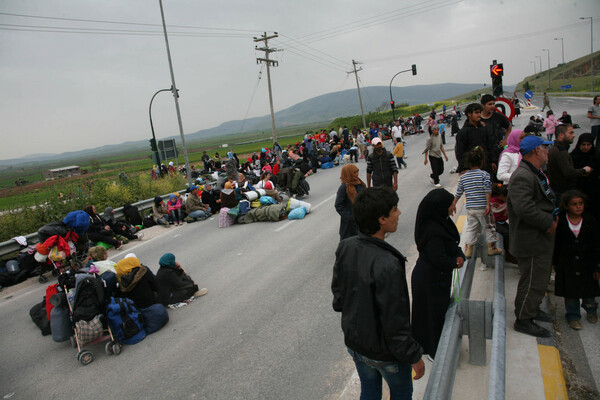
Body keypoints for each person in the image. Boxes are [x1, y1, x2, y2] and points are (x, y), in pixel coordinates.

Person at [331, 186, 425, 399]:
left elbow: (338, 298)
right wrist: (414, 357)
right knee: (401, 394)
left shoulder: (346, 246)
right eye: (394, 209)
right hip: (385, 354)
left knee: (370, 391)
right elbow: (396, 321)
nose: (399, 213)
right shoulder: (388, 263)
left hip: (356, 345)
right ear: (382, 219)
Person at [507, 135, 557, 338]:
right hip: (531, 238)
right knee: (532, 280)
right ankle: (524, 319)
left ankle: (532, 309)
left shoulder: (534, 173)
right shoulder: (523, 176)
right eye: (545, 148)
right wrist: (548, 223)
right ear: (537, 150)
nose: (547, 152)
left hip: (539, 237)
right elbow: (524, 208)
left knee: (540, 277)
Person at [411, 189, 464, 360]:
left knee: (436, 312)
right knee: (431, 315)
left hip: (436, 277)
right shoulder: (432, 231)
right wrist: (455, 262)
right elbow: (438, 258)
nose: (453, 207)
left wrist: (459, 254)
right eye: (450, 204)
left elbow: (451, 244)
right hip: (430, 280)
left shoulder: (440, 221)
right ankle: (434, 351)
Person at [553, 190, 600, 330]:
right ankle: (573, 316)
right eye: (574, 204)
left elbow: (596, 244)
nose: (578, 207)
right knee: (571, 292)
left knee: (589, 292)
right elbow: (556, 244)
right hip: (568, 264)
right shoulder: (560, 221)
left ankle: (591, 310)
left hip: (587, 263)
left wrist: (597, 266)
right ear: (567, 206)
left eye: (581, 204)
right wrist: (555, 263)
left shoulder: (590, 220)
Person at [452, 147, 502, 261]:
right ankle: (491, 247)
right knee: (489, 227)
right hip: (482, 207)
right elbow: (487, 190)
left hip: (470, 208)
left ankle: (468, 249)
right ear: (482, 162)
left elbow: (459, 192)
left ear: (468, 163)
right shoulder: (484, 175)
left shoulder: (464, 177)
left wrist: (454, 203)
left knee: (471, 228)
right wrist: (488, 204)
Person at [547, 124, 593, 204]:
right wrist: (584, 170)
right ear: (561, 135)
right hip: (562, 191)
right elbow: (568, 173)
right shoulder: (560, 152)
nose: (574, 135)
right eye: (571, 133)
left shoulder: (556, 149)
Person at [455, 103, 495, 173]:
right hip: (471, 169)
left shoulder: (484, 129)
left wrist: (492, 161)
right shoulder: (463, 133)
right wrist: (465, 168)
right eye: (476, 113)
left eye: (480, 112)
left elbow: (490, 146)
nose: (479, 115)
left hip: (486, 167)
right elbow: (460, 152)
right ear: (469, 114)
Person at [570, 133, 600, 222]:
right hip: (579, 190)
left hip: (595, 191)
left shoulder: (596, 156)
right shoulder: (573, 156)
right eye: (583, 145)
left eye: (588, 145)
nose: (586, 147)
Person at [334, 164, 366, 241]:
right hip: (349, 225)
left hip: (362, 221)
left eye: (357, 172)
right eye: (354, 172)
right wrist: (350, 217)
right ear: (348, 174)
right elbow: (338, 205)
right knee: (349, 245)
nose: (357, 174)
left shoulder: (360, 184)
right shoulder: (344, 187)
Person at [480, 94, 512, 164]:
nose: (492, 106)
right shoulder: (478, 118)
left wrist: (506, 139)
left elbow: (509, 126)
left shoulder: (498, 116)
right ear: (483, 106)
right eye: (489, 104)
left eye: (493, 104)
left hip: (498, 152)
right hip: (484, 154)